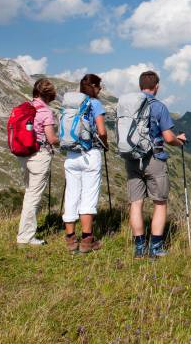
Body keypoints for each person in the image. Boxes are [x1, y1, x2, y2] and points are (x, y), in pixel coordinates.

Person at [126, 71, 186, 258]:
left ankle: (139, 248)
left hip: (132, 158)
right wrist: (179, 141)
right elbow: (168, 137)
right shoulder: (159, 106)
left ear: (140, 85)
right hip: (154, 159)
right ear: (156, 86)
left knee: (136, 203)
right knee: (159, 203)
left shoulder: (128, 106)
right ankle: (155, 248)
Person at [62, 73, 108, 254]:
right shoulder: (95, 104)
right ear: (94, 87)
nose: (101, 89)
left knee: (72, 195)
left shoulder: (72, 104)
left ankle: (71, 239)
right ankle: (87, 240)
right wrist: (106, 144)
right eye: (100, 86)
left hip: (71, 154)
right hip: (90, 154)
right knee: (88, 196)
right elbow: (102, 130)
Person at [16, 78, 58, 246]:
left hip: (23, 154)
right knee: (33, 197)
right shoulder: (46, 112)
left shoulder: (26, 107)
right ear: (49, 95)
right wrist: (62, 140)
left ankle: (24, 233)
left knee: (29, 193)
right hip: (39, 155)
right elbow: (52, 138)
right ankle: (26, 237)